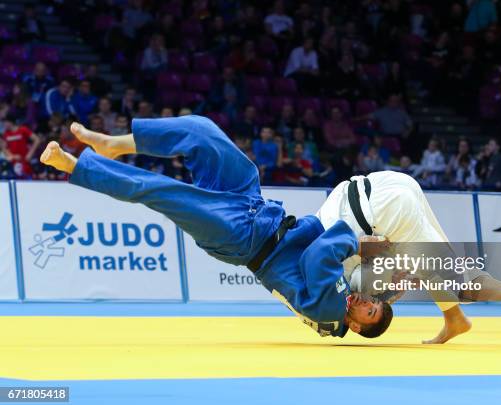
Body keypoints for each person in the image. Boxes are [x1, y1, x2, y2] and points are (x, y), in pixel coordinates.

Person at [39, 115, 392, 339]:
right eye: (373, 301)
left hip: (241, 237)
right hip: (255, 207)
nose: (366, 301)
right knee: (202, 132)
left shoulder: (331, 314)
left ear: (359, 326)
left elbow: (319, 254)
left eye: (370, 309)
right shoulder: (341, 298)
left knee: (160, 191)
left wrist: (357, 244)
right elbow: (315, 237)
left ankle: (74, 166)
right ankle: (114, 144)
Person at [317, 171, 501, 344]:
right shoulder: (342, 282)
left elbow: (376, 252)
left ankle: (455, 318)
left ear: (354, 326)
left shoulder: (337, 290)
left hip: (383, 208)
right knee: (454, 273)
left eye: (371, 306)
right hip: (391, 185)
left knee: (441, 276)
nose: (365, 301)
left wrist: (397, 264)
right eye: (372, 305)